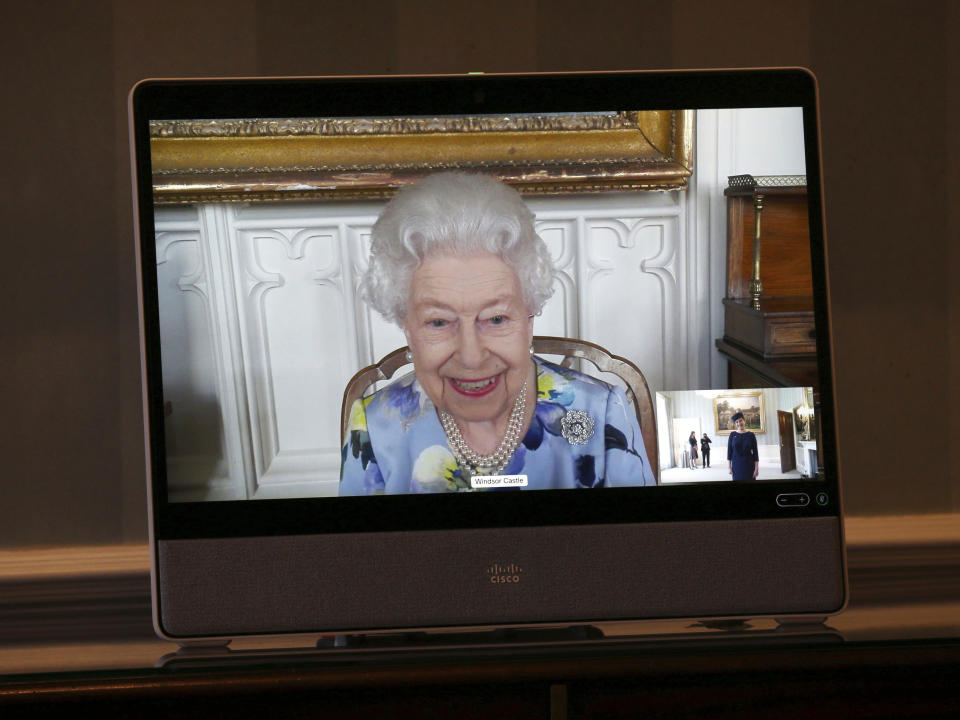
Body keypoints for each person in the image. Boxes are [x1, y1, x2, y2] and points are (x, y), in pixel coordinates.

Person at [339, 172, 656, 494]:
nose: (471, 357)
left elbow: (640, 542)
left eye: (496, 319)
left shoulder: (600, 413)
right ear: (407, 327)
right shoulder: (375, 428)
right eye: (438, 322)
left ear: (528, 318)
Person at [727, 411, 758, 481]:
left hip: (749, 465)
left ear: (744, 421)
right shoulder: (732, 435)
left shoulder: (751, 435)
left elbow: (755, 453)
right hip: (736, 466)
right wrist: (729, 467)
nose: (739, 423)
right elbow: (729, 453)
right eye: (736, 422)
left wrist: (756, 468)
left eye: (740, 421)